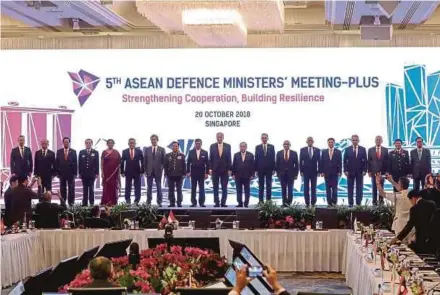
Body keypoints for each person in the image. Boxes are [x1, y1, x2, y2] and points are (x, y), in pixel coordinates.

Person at [391, 189, 437, 254]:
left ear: (413, 198)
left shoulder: (414, 209)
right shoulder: (432, 204)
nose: (411, 203)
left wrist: (398, 238)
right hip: (433, 238)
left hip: (421, 239)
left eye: (410, 201)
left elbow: (409, 226)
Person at [376, 174, 414, 243]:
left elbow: (382, 193)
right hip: (410, 225)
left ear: (400, 184)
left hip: (399, 226)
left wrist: (378, 183)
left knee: (401, 246)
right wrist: (391, 180)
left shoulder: (397, 196)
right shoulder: (411, 194)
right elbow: (401, 188)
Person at [343, 134, 367, 207]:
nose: (355, 141)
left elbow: (365, 161)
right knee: (350, 188)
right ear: (351, 140)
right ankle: (350, 204)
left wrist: (364, 170)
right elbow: (344, 161)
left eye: (356, 140)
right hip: (350, 172)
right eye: (353, 140)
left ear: (358, 140)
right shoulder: (347, 149)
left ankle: (358, 203)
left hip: (360, 172)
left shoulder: (363, 149)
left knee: (359, 188)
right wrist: (345, 170)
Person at [209, 132, 232, 207]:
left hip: (225, 170)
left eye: (221, 137)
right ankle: (217, 202)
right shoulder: (212, 146)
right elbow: (211, 158)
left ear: (223, 137)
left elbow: (229, 158)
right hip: (215, 170)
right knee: (215, 187)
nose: (219, 138)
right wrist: (210, 168)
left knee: (224, 187)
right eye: (218, 137)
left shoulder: (228, 146)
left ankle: (223, 202)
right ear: (216, 137)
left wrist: (229, 169)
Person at [144, 134, 166, 206]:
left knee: (159, 186)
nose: (153, 141)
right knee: (149, 187)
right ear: (150, 140)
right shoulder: (147, 149)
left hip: (158, 171)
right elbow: (145, 161)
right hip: (149, 171)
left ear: (157, 140)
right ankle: (148, 201)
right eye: (152, 139)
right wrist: (145, 170)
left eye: (154, 139)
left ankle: (159, 202)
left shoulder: (162, 149)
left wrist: (162, 169)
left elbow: (164, 161)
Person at [186, 138, 209, 207]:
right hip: (193, 173)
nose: (197, 145)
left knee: (202, 188)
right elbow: (188, 163)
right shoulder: (191, 152)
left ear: (201, 144)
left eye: (199, 143)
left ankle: (202, 203)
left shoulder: (205, 152)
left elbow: (207, 163)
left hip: (202, 173)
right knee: (193, 188)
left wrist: (206, 173)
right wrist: (188, 172)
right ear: (195, 144)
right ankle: (193, 203)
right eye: (196, 143)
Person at [319, 138, 342, 206]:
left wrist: (340, 171)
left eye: (332, 142)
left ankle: (334, 202)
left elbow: (340, 162)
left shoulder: (338, 152)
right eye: (329, 142)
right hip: (326, 173)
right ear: (327, 143)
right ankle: (329, 203)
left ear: (334, 143)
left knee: (335, 189)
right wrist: (321, 172)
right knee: (328, 189)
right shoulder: (324, 152)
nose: (331, 143)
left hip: (335, 173)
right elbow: (321, 162)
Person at [121, 138, 144, 204]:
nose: (132, 144)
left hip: (137, 171)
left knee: (137, 187)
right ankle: (127, 200)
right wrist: (122, 172)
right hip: (128, 172)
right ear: (128, 144)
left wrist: (142, 171)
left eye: (133, 143)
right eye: (130, 143)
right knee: (127, 186)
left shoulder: (139, 151)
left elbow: (142, 161)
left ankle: (137, 200)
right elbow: (122, 162)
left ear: (135, 144)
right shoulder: (124, 151)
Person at [56, 137, 78, 206]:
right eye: (65, 142)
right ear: (63, 143)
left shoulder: (73, 151)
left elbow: (75, 163)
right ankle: (63, 202)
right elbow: (57, 163)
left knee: (71, 188)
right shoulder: (59, 151)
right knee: (62, 188)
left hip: (71, 173)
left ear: (69, 143)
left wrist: (75, 173)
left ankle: (71, 202)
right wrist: (57, 173)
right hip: (62, 173)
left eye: (67, 142)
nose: (66, 143)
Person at [276, 140, 298, 207]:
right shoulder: (279, 153)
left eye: (287, 144)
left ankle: (289, 203)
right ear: (283, 145)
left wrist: (296, 174)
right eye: (285, 144)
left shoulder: (294, 153)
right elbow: (277, 164)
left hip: (291, 174)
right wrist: (278, 174)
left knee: (290, 189)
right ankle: (284, 203)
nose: (286, 145)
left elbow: (296, 164)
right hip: (282, 174)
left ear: (289, 145)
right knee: (283, 189)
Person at [254, 133, 276, 203]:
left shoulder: (271, 147)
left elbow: (273, 158)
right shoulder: (257, 147)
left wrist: (274, 169)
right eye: (263, 138)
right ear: (261, 139)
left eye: (265, 138)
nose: (264, 139)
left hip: (269, 169)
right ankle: (260, 201)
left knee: (269, 185)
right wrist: (256, 170)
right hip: (260, 169)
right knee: (261, 186)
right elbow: (256, 159)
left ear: (267, 138)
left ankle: (268, 201)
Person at [232, 142, 255, 208]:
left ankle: (246, 203)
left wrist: (252, 175)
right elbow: (234, 165)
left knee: (247, 190)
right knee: (238, 190)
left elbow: (253, 166)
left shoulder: (250, 155)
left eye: (244, 146)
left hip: (247, 176)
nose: (242, 147)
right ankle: (240, 203)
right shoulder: (236, 155)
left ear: (246, 147)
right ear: (239, 147)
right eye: (241, 146)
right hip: (238, 176)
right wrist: (233, 174)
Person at [299, 136, 320, 207]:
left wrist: (319, 171)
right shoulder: (302, 150)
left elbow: (319, 161)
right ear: (306, 142)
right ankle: (307, 203)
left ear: (313, 142)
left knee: (314, 188)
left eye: (311, 140)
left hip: (314, 172)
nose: (310, 141)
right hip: (305, 172)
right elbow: (300, 161)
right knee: (306, 188)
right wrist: (301, 171)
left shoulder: (317, 150)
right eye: (308, 140)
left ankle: (313, 202)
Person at [367, 135, 388, 205]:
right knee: (374, 187)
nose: (378, 141)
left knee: (381, 187)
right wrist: (369, 171)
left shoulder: (385, 150)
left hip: (382, 172)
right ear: (375, 141)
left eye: (379, 140)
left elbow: (386, 162)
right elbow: (369, 161)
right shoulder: (370, 150)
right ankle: (374, 202)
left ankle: (381, 202)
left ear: (382, 141)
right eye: (377, 140)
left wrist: (386, 172)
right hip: (373, 172)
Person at [164, 141, 186, 207]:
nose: (175, 147)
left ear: (178, 147)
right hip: (170, 175)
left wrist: (184, 173)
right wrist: (165, 173)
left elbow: (184, 165)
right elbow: (165, 165)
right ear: (172, 147)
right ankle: (172, 202)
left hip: (179, 175)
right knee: (171, 189)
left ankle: (179, 202)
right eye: (173, 146)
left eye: (176, 146)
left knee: (179, 189)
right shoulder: (167, 155)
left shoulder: (182, 155)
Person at [79, 139, 99, 206]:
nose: (88, 144)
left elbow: (97, 163)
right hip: (84, 174)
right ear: (85, 144)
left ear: (91, 144)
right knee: (85, 189)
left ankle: (91, 202)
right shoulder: (82, 152)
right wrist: (80, 173)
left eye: (89, 143)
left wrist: (97, 173)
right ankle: (84, 203)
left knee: (91, 189)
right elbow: (80, 163)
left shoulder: (95, 152)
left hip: (92, 174)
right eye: (87, 143)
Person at [101, 139, 121, 206]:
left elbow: (119, 164)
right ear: (107, 144)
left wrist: (118, 174)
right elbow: (102, 163)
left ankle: (113, 202)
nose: (110, 144)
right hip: (106, 173)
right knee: (106, 188)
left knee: (114, 187)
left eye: (112, 143)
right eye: (109, 143)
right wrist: (102, 173)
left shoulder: (116, 152)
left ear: (113, 144)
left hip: (114, 174)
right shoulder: (104, 152)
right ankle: (105, 202)